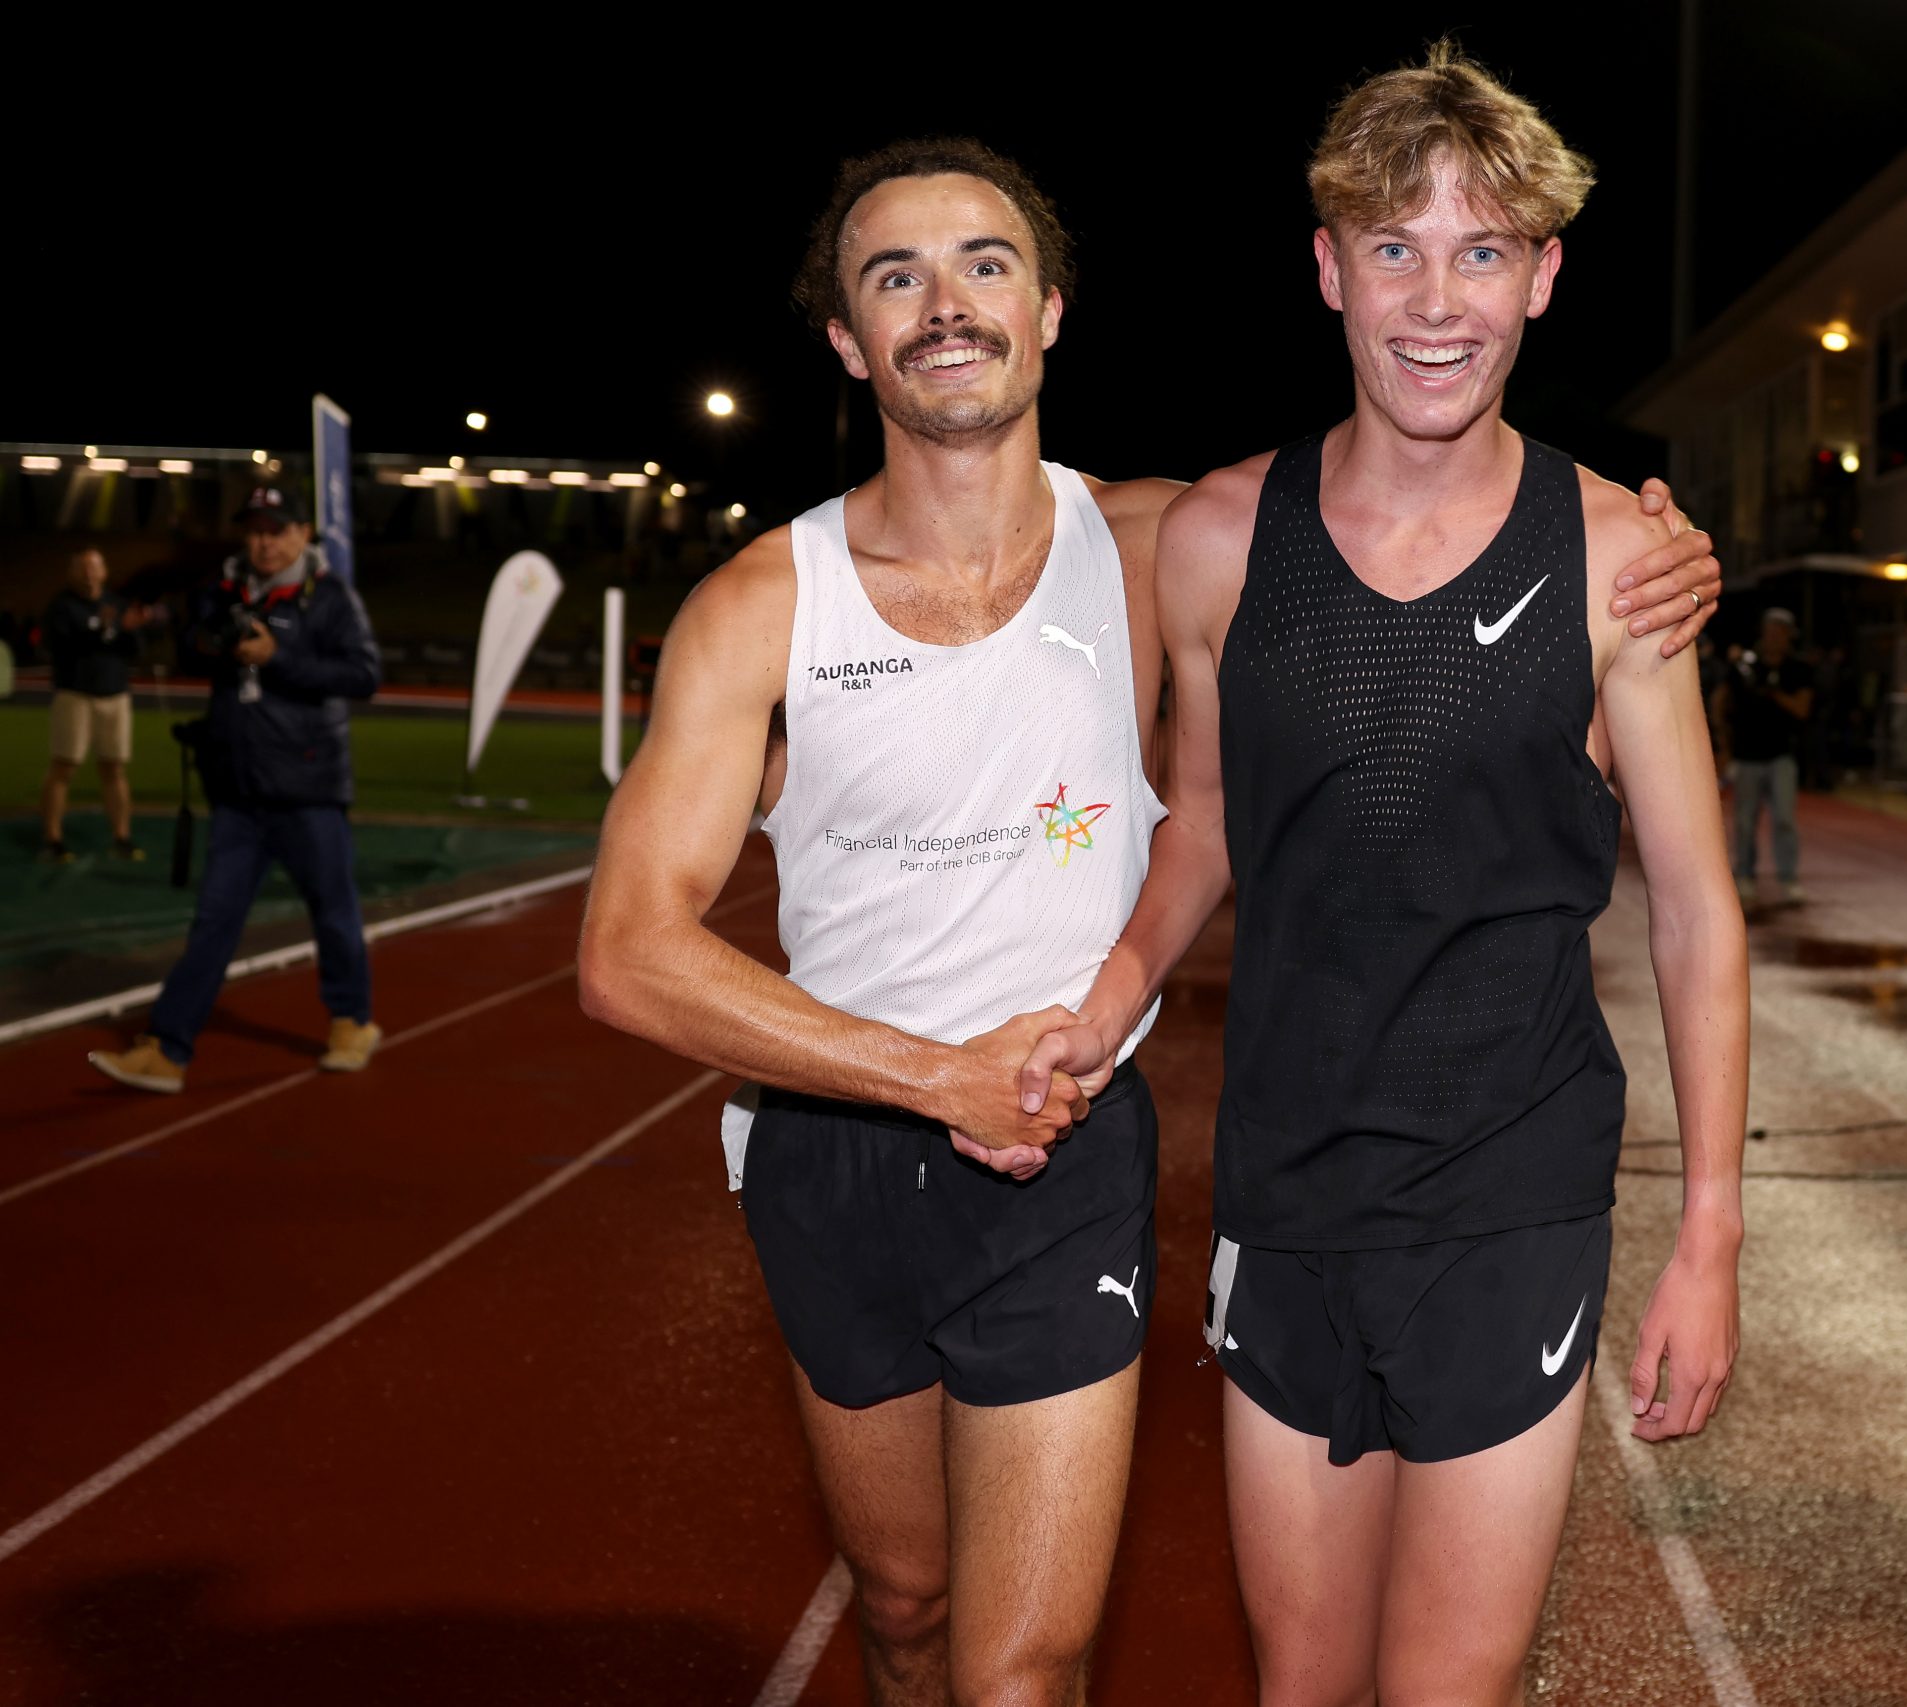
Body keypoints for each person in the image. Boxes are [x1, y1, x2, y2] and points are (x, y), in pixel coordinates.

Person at [573, 137, 1719, 1707]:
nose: (944, 302)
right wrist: (926, 1077)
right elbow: (626, 949)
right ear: (847, 340)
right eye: (891, 275)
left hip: (1066, 1137)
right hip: (837, 1144)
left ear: (1049, 309)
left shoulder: (1156, 542)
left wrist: (1659, 553)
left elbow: (1392, 541)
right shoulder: (757, 604)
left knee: (1023, 1666)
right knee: (903, 1606)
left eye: (983, 263)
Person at [1012, 47, 1747, 1707]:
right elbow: (1198, 821)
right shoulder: (1213, 537)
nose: (1437, 299)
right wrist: (1104, 1000)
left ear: (1544, 278)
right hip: (1287, 1191)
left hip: (1511, 1192)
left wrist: (1710, 1233)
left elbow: (1699, 911)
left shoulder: (1622, 560)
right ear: (1328, 266)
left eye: (1482, 251)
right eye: (1396, 249)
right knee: (1303, 1681)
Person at [88, 488, 383, 1093]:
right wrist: (206, 643)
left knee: (333, 912)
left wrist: (280, 655)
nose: (264, 543)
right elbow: (195, 652)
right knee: (213, 923)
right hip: (238, 793)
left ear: (303, 533)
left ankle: (352, 1019)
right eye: (254, 531)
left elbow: (364, 675)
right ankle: (168, 1048)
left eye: (276, 530)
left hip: (308, 789)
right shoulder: (224, 591)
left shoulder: (328, 597)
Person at [39, 547, 149, 863]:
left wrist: (130, 629)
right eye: (82, 567)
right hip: (75, 694)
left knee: (114, 767)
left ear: (104, 571)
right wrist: (103, 631)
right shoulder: (62, 606)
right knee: (64, 766)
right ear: (71, 572)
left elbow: (135, 650)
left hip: (114, 695)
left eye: (94, 567)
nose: (89, 573)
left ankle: (122, 836)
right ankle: (52, 839)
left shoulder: (115, 603)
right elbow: (58, 646)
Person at [1714, 607, 1813, 905]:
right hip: (1746, 755)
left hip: (1781, 755)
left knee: (1784, 818)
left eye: (1780, 632)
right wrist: (1723, 742)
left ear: (1789, 636)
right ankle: (1744, 874)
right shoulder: (1745, 666)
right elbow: (1720, 700)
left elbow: (1802, 708)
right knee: (1745, 820)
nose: (1773, 637)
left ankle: (1788, 877)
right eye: (1769, 630)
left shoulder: (1798, 669)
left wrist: (1774, 693)